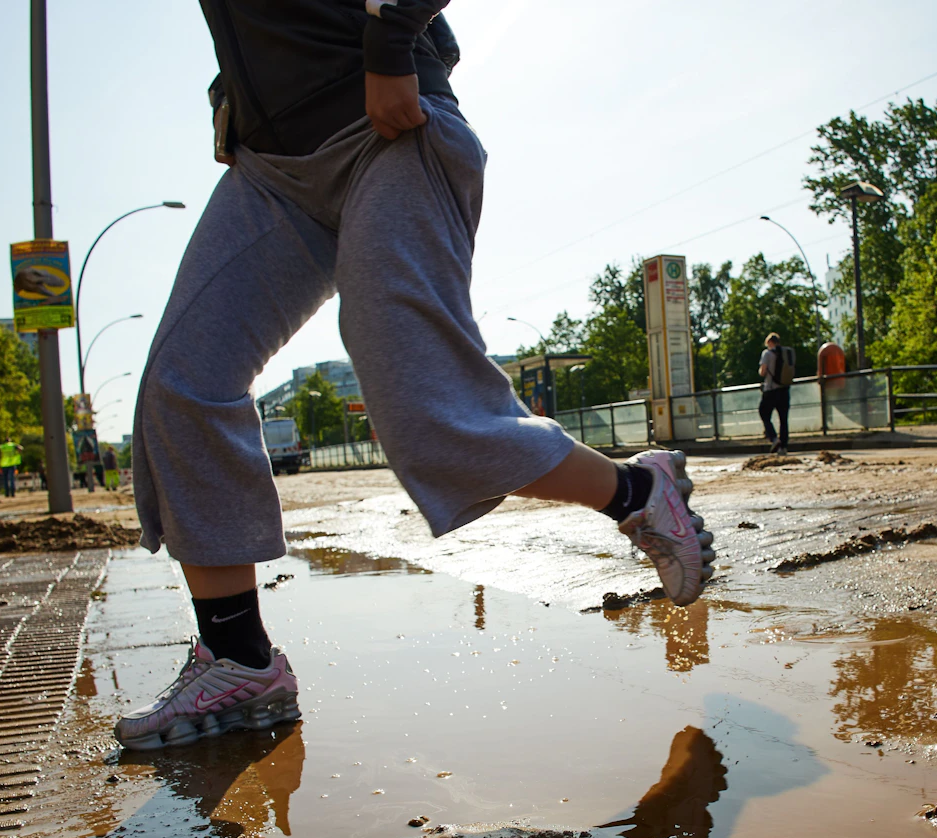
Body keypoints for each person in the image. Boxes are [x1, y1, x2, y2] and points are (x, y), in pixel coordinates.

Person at [114, 0, 714, 751]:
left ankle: (638, 492)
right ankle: (237, 659)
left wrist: (393, 41)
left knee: (419, 403)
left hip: (386, 123)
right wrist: (231, 93)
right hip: (270, 169)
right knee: (181, 382)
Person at [758, 333, 795, 454]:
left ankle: (774, 439)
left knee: (763, 413)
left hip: (771, 390)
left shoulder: (767, 354)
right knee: (783, 419)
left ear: (769, 342)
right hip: (785, 389)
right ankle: (783, 447)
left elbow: (763, 372)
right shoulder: (787, 353)